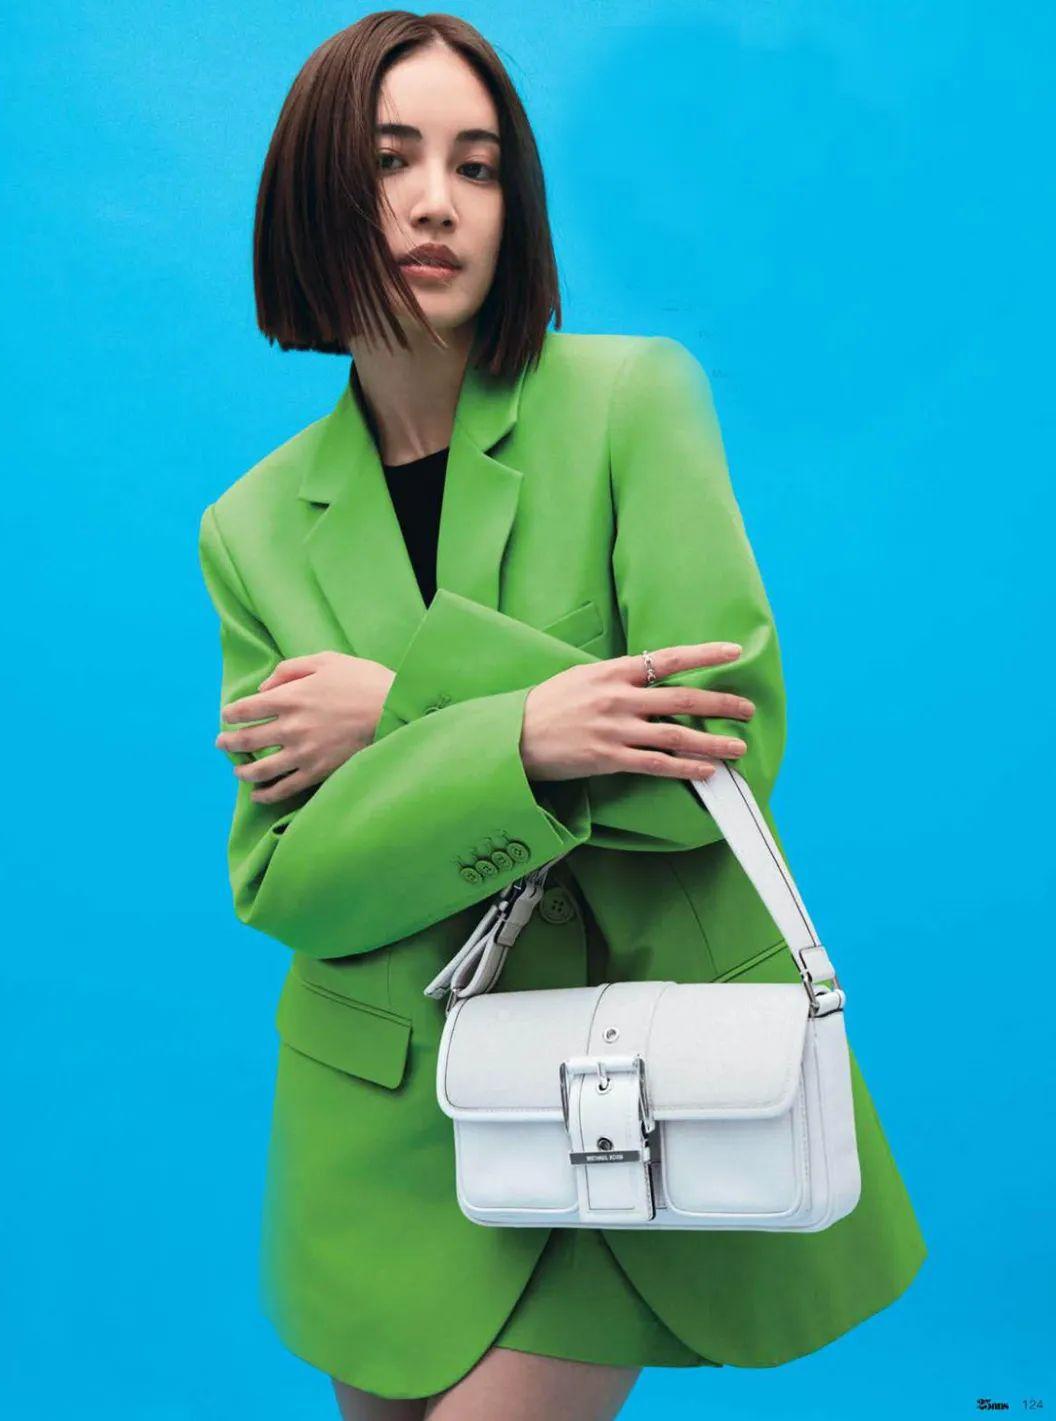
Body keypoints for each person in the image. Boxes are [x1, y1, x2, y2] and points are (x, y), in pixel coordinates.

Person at [197, 12, 927, 1421]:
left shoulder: (630, 401)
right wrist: (540, 724)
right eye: (391, 160)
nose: (436, 202)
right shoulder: (253, 528)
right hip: (385, 1127)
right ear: (310, 193)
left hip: (631, 1088)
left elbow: (713, 748)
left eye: (477, 167)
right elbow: (294, 880)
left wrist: (407, 714)